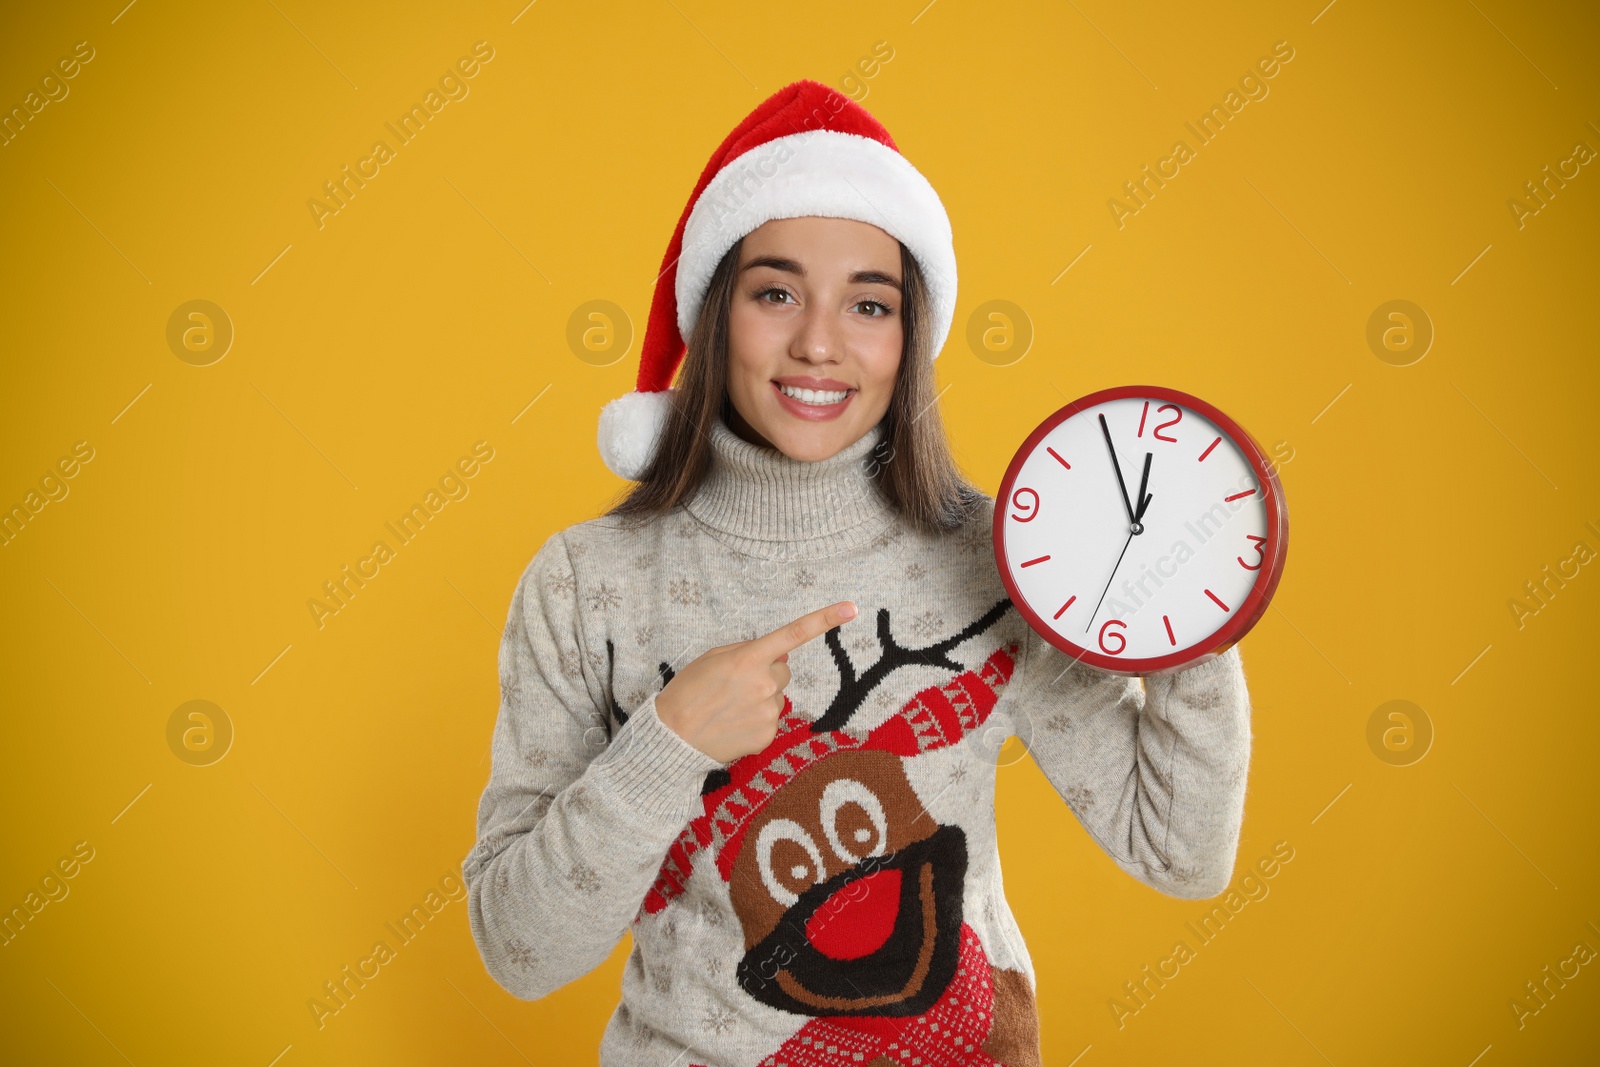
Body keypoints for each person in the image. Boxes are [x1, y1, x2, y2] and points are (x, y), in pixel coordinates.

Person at [463, 80, 1252, 1067]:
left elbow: (1178, 856)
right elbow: (521, 950)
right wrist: (663, 746)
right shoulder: (587, 580)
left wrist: (1190, 615)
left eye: (868, 303)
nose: (819, 343)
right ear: (717, 313)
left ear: (908, 335)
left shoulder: (994, 557)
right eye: (775, 291)